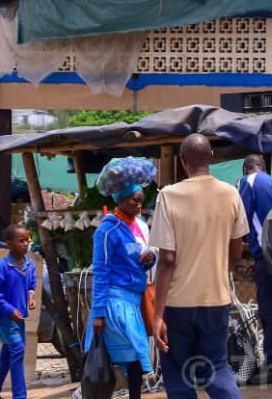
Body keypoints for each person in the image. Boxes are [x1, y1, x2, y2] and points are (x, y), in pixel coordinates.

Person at [152, 134, 249, 399]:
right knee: (216, 369)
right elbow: (236, 250)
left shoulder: (168, 196)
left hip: (176, 304)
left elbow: (167, 260)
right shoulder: (231, 194)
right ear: (211, 158)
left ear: (183, 161)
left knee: (178, 375)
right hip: (216, 299)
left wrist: (158, 315)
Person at [88, 158, 158, 399]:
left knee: (134, 356)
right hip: (115, 303)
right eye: (133, 200)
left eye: (140, 201)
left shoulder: (137, 226)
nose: (139, 205)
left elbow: (136, 260)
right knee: (128, 355)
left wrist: (150, 260)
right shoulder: (106, 231)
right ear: (120, 200)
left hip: (133, 301)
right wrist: (98, 313)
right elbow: (101, 272)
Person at [236, 154, 272, 383]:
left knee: (270, 311)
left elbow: (238, 220)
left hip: (268, 256)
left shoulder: (248, 182)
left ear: (245, 169)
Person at [0, 225, 37, 399]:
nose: (25, 244)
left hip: (19, 315)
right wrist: (10, 311)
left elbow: (32, 284)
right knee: (18, 350)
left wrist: (31, 297)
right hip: (4, 315)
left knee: (8, 353)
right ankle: (19, 396)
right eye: (21, 241)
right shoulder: (1, 266)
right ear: (9, 244)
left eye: (27, 240)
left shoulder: (29, 264)